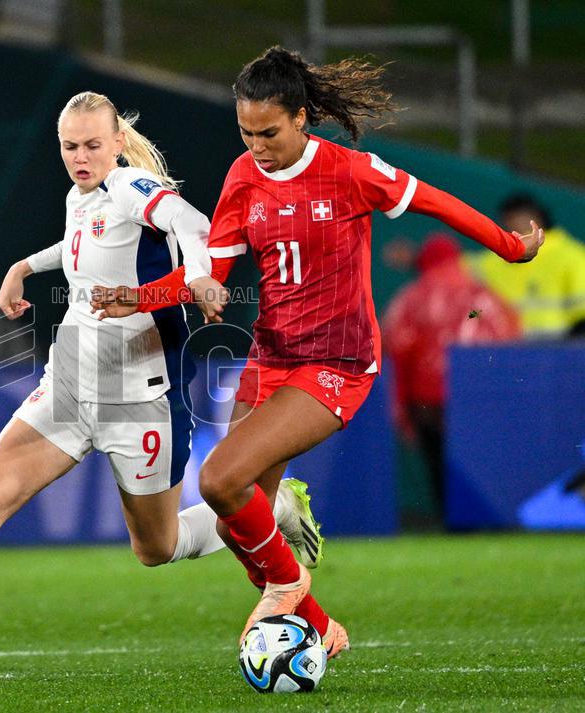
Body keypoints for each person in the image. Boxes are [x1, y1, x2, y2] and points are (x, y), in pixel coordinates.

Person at [0, 90, 324, 685]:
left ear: (117, 143)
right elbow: (81, 246)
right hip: (68, 386)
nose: (80, 156)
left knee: (157, 549)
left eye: (92, 144)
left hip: (141, 398)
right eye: (69, 146)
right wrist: (22, 268)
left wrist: (197, 276)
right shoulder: (80, 196)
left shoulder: (134, 189)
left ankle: (273, 505)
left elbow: (192, 223)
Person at [91, 47, 544, 657]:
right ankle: (322, 625)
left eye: (268, 132)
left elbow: (437, 201)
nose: (255, 144)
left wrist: (510, 247)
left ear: (301, 118)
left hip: (338, 363)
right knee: (232, 520)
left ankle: (285, 579)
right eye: (245, 131)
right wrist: (143, 295)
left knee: (221, 477)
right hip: (269, 357)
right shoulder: (242, 178)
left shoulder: (351, 172)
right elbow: (212, 274)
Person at [383, 233, 521, 516]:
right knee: (477, 459)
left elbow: (394, 347)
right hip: (477, 395)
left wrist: (400, 406)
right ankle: (481, 518)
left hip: (427, 398)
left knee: (437, 461)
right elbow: (508, 340)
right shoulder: (484, 295)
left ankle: (450, 520)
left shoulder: (411, 297)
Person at [465, 193, 585, 339]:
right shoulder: (487, 262)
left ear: (537, 219)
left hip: (555, 351)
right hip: (498, 349)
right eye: (509, 219)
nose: (513, 224)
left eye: (519, 218)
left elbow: (581, 318)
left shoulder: (573, 256)